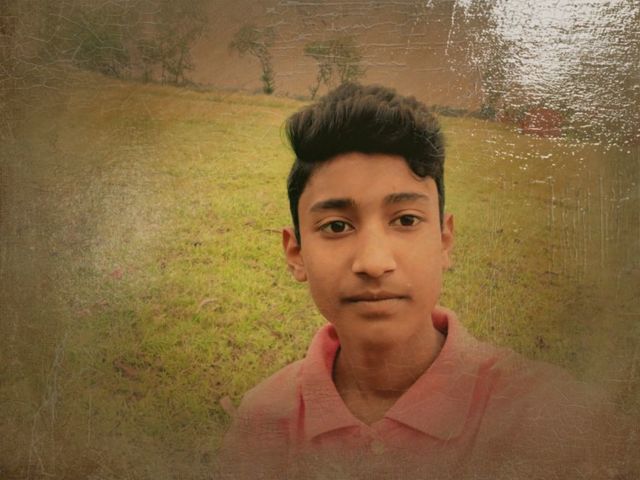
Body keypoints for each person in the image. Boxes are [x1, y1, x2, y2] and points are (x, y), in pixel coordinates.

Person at [218, 83, 636, 479]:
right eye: (336, 226)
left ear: (444, 240)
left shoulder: (558, 422)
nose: (374, 263)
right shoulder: (263, 421)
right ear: (296, 253)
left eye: (405, 220)